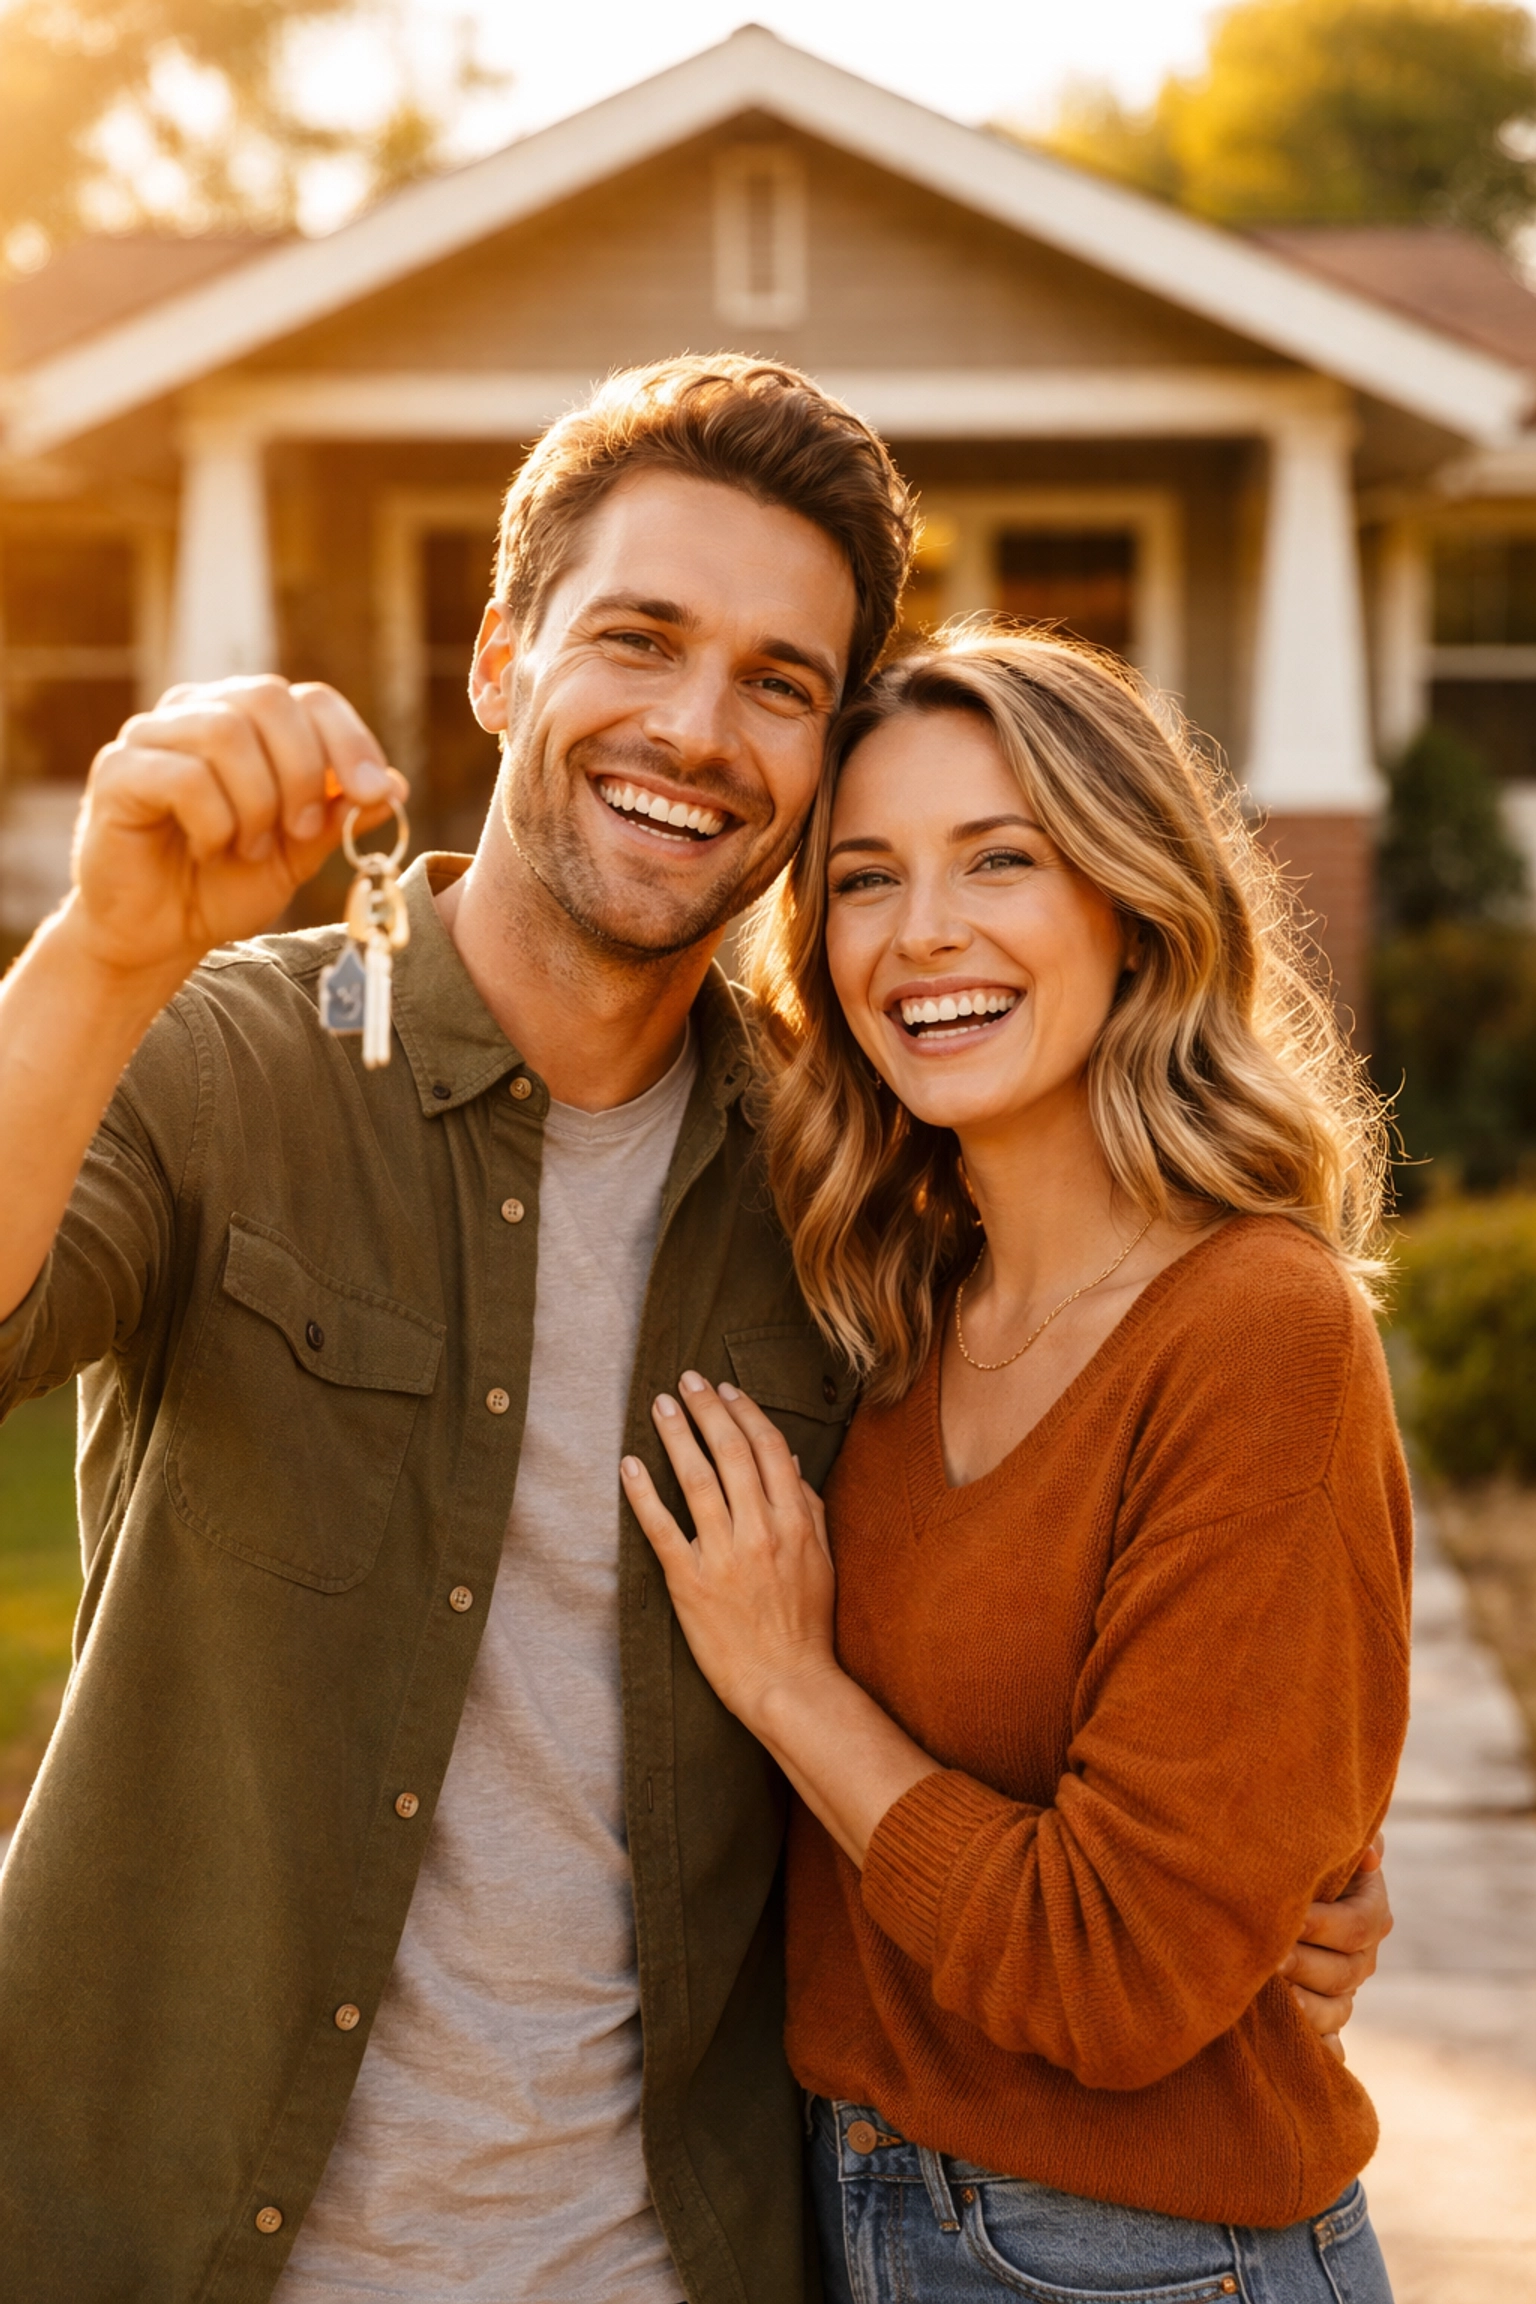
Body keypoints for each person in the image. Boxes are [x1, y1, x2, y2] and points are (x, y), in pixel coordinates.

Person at [0, 361, 1385, 2304]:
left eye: (779, 682)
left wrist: (1270, 1864)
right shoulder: (227, 1057)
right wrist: (104, 953)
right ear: (499, 659)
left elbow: (1059, 1587)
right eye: (638, 638)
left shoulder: (862, 1188)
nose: (694, 727)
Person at [621, 628, 1410, 2303]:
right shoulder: (895, 1319)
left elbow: (1119, 1975)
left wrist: (790, 1682)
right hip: (851, 2210)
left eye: (1004, 859)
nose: (924, 936)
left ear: (1133, 909)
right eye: (863, 879)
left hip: (1148, 2257)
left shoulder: (1257, 1330)